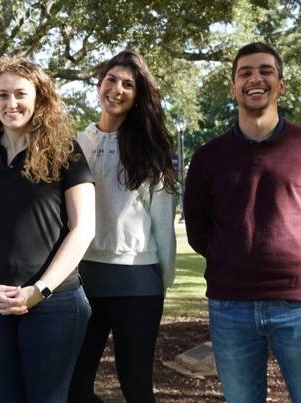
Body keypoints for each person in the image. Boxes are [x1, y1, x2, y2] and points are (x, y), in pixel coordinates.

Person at [184, 42, 301, 403]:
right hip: (230, 306)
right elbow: (197, 226)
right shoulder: (209, 157)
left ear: (281, 85)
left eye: (265, 71)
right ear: (233, 88)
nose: (254, 79)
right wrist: (228, 257)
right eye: (245, 72)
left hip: (300, 304)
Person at [0, 57, 96, 402]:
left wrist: (39, 290)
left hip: (54, 303)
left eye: (20, 94)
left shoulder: (65, 152)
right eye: (2, 95)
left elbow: (83, 228)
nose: (10, 103)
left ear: (39, 98)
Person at [67, 50, 177, 403]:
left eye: (128, 84)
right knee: (74, 388)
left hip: (137, 284)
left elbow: (163, 224)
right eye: (111, 79)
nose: (117, 89)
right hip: (83, 281)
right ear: (99, 84)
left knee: (137, 389)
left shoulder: (151, 151)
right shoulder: (75, 145)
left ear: (137, 95)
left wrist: (164, 279)